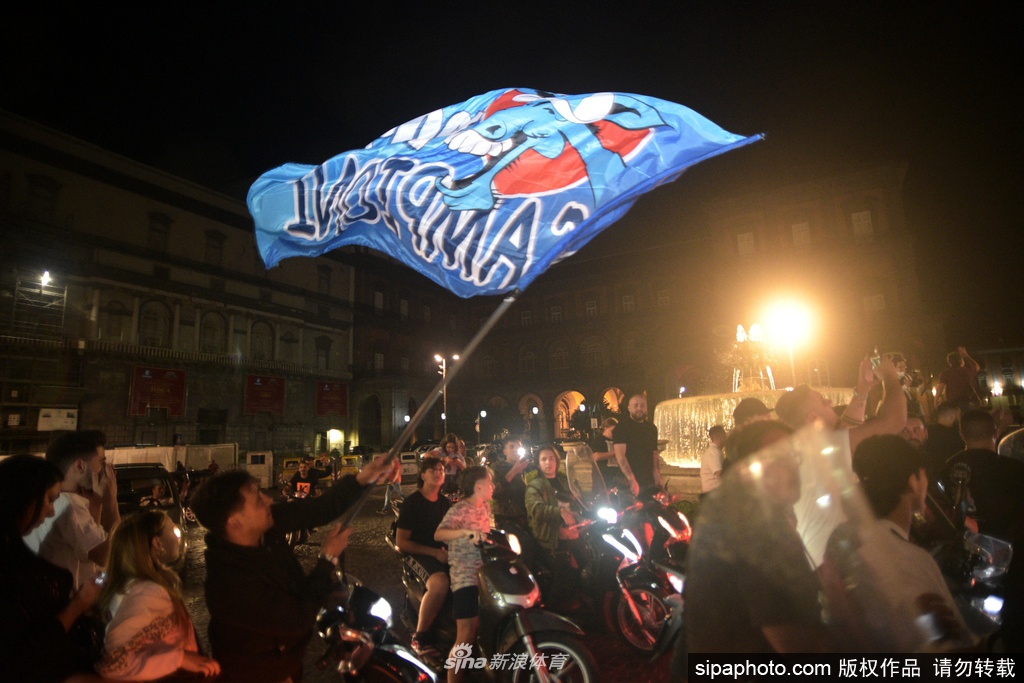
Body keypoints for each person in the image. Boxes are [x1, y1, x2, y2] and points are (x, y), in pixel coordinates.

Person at [189, 455, 397, 683]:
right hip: (257, 675)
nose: (269, 500)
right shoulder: (229, 584)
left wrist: (364, 477)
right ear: (234, 522)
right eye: (258, 499)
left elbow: (319, 509)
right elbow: (297, 618)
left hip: (288, 666)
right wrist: (326, 559)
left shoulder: (264, 528)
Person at [687, 420, 832, 653]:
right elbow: (797, 646)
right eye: (777, 459)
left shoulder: (743, 513)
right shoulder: (759, 530)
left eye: (793, 455)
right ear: (747, 470)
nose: (793, 467)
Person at [824, 435, 975, 652]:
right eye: (923, 475)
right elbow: (942, 644)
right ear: (913, 481)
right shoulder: (909, 558)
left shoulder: (842, 537)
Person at [772, 356, 907, 567]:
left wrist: (863, 391)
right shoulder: (823, 447)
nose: (831, 402)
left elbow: (843, 429)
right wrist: (890, 375)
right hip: (840, 568)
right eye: (824, 402)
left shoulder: (807, 448)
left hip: (825, 564)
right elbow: (895, 420)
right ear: (811, 418)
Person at [0, 454, 105, 683]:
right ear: (26, 496)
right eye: (49, 500)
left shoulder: (16, 554)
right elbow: (25, 652)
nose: (51, 512)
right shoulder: (13, 568)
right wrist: (79, 604)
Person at [96, 510, 220, 680]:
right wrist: (180, 658)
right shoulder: (147, 593)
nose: (178, 536)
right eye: (172, 529)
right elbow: (115, 660)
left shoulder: (132, 586)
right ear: (157, 543)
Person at [25, 430, 120, 590]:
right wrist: (111, 501)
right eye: (101, 462)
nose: (105, 469)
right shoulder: (70, 504)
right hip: (70, 606)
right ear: (80, 465)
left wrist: (97, 503)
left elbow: (90, 552)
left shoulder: (54, 499)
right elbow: (108, 556)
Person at [434, 467, 494, 683]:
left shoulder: (486, 507)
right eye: (490, 483)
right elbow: (439, 533)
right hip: (465, 577)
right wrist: (464, 532)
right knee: (465, 636)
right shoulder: (459, 509)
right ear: (479, 487)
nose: (493, 487)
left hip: (485, 576)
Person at [395, 457, 451, 658]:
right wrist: (434, 552)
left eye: (442, 469)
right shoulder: (412, 503)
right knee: (440, 582)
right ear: (422, 475)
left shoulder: (445, 503)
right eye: (433, 469)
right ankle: (421, 637)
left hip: (441, 553)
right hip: (416, 553)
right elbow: (401, 542)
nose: (438, 472)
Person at [613, 394, 663, 496]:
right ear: (629, 408)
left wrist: (657, 474)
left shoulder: (651, 428)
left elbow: (654, 453)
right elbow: (620, 456)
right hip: (627, 482)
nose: (639, 408)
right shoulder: (621, 427)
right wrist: (631, 479)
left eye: (642, 405)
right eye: (636, 405)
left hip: (648, 480)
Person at [935, 346, 982, 410]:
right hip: (968, 400)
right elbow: (976, 367)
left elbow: (940, 388)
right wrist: (966, 355)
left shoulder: (945, 373)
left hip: (953, 403)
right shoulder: (967, 370)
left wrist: (936, 400)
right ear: (961, 361)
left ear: (949, 362)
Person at [588, 417, 624, 490]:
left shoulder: (617, 441)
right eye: (612, 431)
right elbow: (596, 456)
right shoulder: (598, 440)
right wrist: (615, 452)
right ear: (605, 428)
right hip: (603, 477)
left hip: (616, 478)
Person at [700, 425, 726, 495]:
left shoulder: (715, 451)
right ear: (721, 436)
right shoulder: (714, 452)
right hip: (713, 495)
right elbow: (719, 473)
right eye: (725, 435)